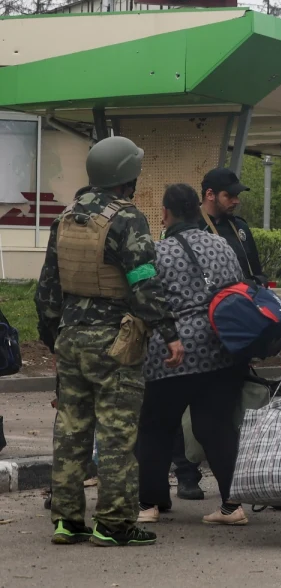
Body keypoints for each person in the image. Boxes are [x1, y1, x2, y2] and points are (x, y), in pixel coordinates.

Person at [35, 136, 184, 547]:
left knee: (70, 431)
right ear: (126, 178)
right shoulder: (128, 219)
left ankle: (67, 520)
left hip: (70, 336)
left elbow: (47, 286)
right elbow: (143, 283)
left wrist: (54, 334)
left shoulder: (64, 217)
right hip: (115, 340)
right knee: (117, 434)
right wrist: (169, 332)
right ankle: (114, 524)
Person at [137, 184, 248, 527]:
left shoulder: (156, 252)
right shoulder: (223, 246)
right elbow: (238, 289)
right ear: (198, 211)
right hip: (221, 349)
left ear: (166, 214)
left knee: (155, 427)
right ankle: (232, 504)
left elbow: (144, 296)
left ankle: (151, 504)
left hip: (171, 354)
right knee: (215, 425)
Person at [200, 167, 264, 283]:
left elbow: (257, 273)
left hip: (244, 298)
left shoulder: (240, 227)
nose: (236, 201)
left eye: (237, 195)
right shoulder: (193, 228)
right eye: (229, 196)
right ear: (210, 194)